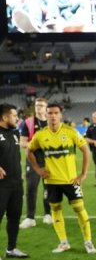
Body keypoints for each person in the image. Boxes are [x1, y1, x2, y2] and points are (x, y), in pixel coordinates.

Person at [26, 103, 96, 254]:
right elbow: (29, 151)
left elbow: (86, 151)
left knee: (79, 209)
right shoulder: (40, 135)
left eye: (55, 113)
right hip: (51, 182)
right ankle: (63, 243)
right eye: (49, 113)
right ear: (45, 115)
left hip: (71, 180)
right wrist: (37, 169)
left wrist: (83, 174)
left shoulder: (71, 132)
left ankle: (88, 241)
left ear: (60, 115)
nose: (52, 115)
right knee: (55, 210)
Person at [0, 104, 29, 260]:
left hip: (16, 183)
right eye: (14, 115)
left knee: (14, 216)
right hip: (1, 185)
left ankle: (11, 249)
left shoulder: (15, 133)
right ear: (4, 117)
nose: (17, 118)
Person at [18, 97, 52, 228]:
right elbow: (22, 142)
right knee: (31, 188)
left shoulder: (51, 122)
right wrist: (36, 145)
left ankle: (48, 214)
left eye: (41, 105)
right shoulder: (28, 123)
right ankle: (30, 217)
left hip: (50, 161)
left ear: (46, 108)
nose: (39, 107)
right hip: (33, 161)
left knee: (49, 189)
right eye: (37, 105)